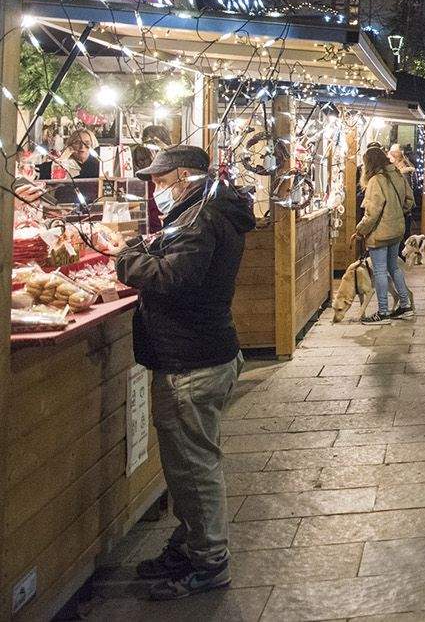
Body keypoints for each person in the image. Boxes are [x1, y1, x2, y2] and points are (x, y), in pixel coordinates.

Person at [114, 146, 254, 600]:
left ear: (181, 176)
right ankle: (190, 543)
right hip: (199, 353)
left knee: (195, 469)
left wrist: (127, 258)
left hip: (191, 360)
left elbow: (177, 278)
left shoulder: (203, 216)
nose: (154, 189)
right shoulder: (206, 210)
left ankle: (209, 561)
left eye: (158, 180)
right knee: (191, 465)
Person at [354, 145, 415, 323]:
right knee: (393, 267)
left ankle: (383, 311)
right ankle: (405, 305)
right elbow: (409, 200)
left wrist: (359, 231)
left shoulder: (375, 181)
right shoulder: (397, 174)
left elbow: (372, 213)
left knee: (380, 271)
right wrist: (396, 212)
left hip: (380, 233)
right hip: (397, 229)